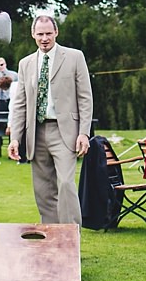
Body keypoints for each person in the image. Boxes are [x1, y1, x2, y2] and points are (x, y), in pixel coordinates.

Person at [7, 13, 94, 224]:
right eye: (40, 34)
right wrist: (15, 138)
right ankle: (51, 239)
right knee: (43, 189)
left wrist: (84, 132)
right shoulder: (25, 63)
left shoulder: (74, 57)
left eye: (48, 33)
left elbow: (85, 97)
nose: (44, 38)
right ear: (32, 35)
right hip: (35, 133)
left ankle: (72, 239)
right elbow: (20, 104)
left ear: (56, 32)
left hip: (65, 131)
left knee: (65, 183)